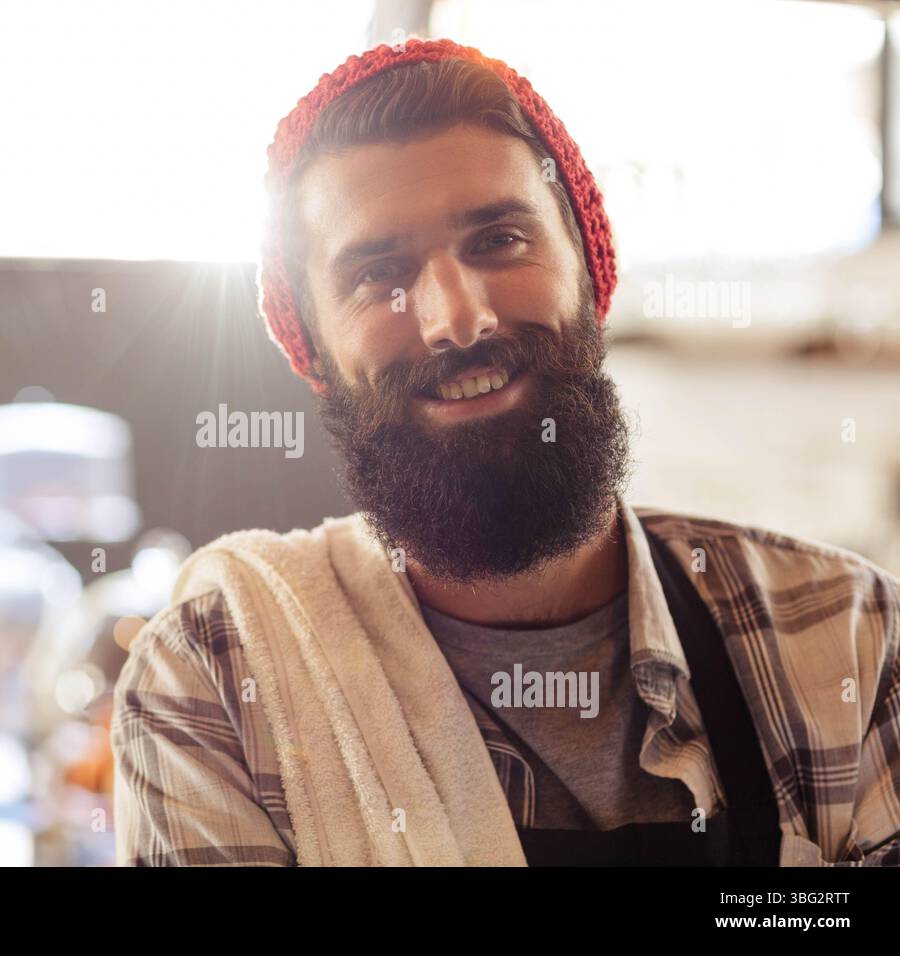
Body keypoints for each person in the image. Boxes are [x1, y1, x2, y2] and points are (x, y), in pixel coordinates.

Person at [109, 38, 900, 866]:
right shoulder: (218, 688)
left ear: (591, 274)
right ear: (316, 356)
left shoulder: (848, 641)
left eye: (498, 240)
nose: (458, 318)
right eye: (379, 275)